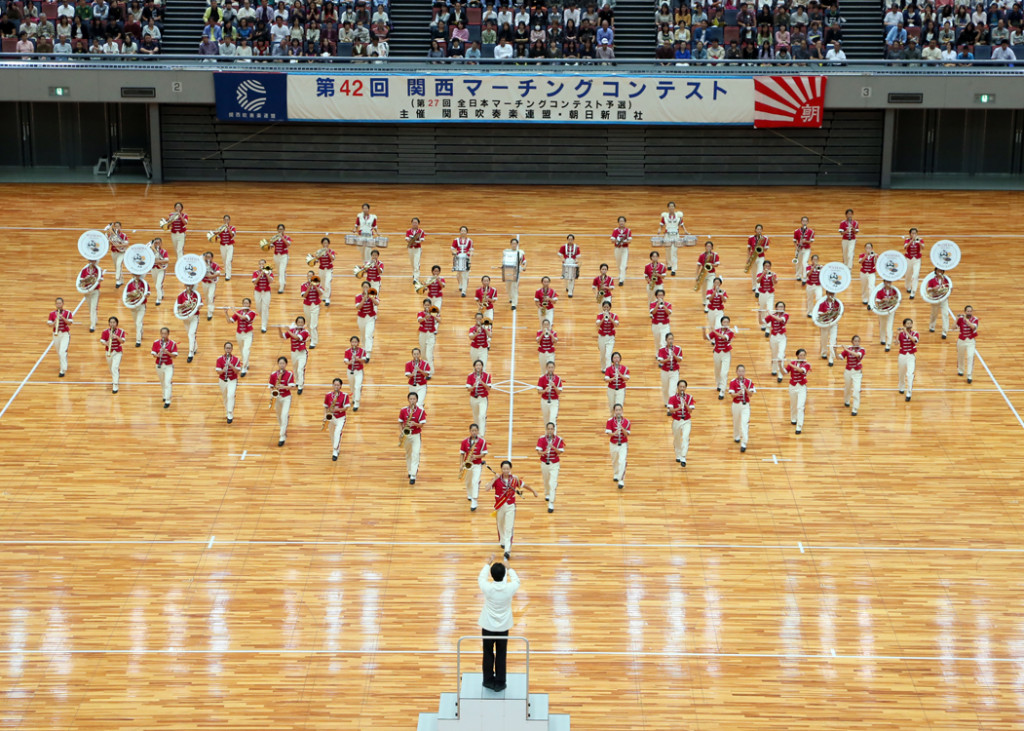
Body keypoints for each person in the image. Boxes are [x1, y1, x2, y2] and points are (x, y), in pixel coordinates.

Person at [489, 460, 536, 560]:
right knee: (500, 525)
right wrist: (494, 479)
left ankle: (507, 550)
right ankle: (502, 541)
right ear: (501, 469)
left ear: (510, 469)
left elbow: (524, 485)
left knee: (509, 528)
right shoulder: (497, 479)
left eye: (507, 468)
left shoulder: (514, 479)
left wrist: (533, 491)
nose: (505, 470)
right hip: (499, 506)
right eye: (504, 468)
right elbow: (486, 488)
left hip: (510, 506)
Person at [703, 316, 736, 399]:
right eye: (724, 322)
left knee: (724, 373)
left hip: (726, 354)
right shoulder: (717, 331)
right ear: (721, 323)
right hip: (717, 353)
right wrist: (703, 331)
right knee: (717, 370)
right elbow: (706, 338)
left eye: (727, 322)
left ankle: (722, 391)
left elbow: (724, 337)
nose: (726, 324)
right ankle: (719, 385)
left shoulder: (730, 332)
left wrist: (713, 330)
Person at [536, 422, 565, 512]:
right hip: (544, 463)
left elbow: (560, 452)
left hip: (554, 464)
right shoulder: (541, 439)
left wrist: (552, 447)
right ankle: (547, 493)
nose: (550, 430)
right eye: (548, 429)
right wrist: (544, 452)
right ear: (546, 429)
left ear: (554, 429)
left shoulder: (559, 439)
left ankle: (551, 503)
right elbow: (538, 452)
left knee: (552, 483)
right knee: (546, 480)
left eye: (551, 429)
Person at [667, 378, 695, 466]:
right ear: (677, 387)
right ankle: (678, 454)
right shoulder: (672, 398)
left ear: (686, 388)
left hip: (686, 420)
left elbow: (690, 410)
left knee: (686, 437)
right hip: (676, 421)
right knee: (677, 438)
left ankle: (683, 456)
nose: (682, 388)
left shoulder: (689, 398)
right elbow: (671, 410)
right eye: (680, 387)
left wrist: (685, 404)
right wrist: (678, 408)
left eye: (683, 387)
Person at [727, 364, 755, 451]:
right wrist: (739, 393)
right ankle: (736, 436)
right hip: (736, 405)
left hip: (745, 405)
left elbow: (751, 394)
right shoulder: (732, 382)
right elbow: (732, 395)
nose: (741, 373)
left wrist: (745, 389)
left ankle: (744, 443)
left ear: (745, 372)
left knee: (744, 423)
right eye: (739, 371)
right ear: (736, 372)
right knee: (736, 422)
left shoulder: (749, 382)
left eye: (743, 371)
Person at [461, 424, 488, 511]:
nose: (474, 432)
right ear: (470, 431)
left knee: (475, 482)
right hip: (467, 464)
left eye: (476, 430)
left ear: (478, 431)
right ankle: (469, 494)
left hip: (477, 465)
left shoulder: (482, 442)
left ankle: (474, 500)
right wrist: (461, 464)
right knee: (468, 481)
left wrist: (476, 456)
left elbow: (484, 454)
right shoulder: (465, 441)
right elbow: (462, 453)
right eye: (472, 431)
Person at [226, 298, 256, 376]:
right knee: (242, 351)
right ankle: (246, 363)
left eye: (247, 303)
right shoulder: (239, 312)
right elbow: (230, 321)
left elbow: (244, 318)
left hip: (248, 334)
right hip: (239, 334)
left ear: (249, 304)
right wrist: (226, 313)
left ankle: (244, 368)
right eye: (244, 303)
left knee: (246, 350)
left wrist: (234, 311)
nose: (245, 305)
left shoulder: (252, 313)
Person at [281, 315, 310, 394]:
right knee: (295, 368)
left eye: (302, 322)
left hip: (302, 353)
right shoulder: (292, 330)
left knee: (300, 369)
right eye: (299, 322)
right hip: (293, 352)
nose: (300, 324)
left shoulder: (305, 332)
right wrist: (279, 329)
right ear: (296, 323)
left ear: (304, 323)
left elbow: (297, 338)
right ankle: (297, 382)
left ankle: (300, 386)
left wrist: (288, 331)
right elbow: (283, 336)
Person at [324, 378, 351, 461]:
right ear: (332, 385)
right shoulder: (328, 395)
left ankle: (335, 451)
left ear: (340, 386)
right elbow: (325, 407)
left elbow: (346, 408)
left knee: (337, 433)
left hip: (340, 418)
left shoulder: (345, 395)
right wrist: (325, 416)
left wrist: (337, 409)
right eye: (335, 385)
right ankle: (335, 448)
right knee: (332, 434)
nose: (336, 386)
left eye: (338, 385)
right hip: (331, 417)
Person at [269, 356, 294, 445]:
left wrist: (283, 387)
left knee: (284, 415)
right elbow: (271, 386)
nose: (282, 365)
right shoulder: (273, 374)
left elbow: (291, 387)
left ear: (286, 364)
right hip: (277, 397)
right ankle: (283, 428)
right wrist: (273, 393)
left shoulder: (290, 374)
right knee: (279, 416)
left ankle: (282, 436)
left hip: (286, 397)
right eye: (280, 363)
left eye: (283, 363)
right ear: (278, 364)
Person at [784, 349, 811, 434]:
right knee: (793, 405)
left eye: (804, 355)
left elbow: (801, 370)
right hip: (792, 386)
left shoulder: (807, 364)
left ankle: (799, 426)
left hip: (802, 387)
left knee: (800, 406)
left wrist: (790, 364)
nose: (803, 357)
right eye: (801, 355)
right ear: (797, 356)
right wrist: (780, 365)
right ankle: (793, 419)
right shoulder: (793, 363)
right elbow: (785, 372)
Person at [605, 403, 630, 489]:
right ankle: (616, 473)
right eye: (616, 410)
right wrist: (614, 433)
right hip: (613, 444)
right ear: (614, 411)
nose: (618, 412)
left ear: (622, 411)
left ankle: (621, 480)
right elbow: (608, 433)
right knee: (614, 460)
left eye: (620, 410)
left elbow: (627, 435)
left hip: (623, 444)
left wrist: (622, 429)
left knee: (622, 461)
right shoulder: (610, 421)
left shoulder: (626, 422)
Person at [152, 327, 178, 408]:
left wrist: (167, 352)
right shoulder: (156, 342)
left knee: (167, 382)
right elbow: (153, 354)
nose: (163, 335)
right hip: (159, 365)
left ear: (168, 334)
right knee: (162, 381)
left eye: (165, 333)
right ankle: (164, 395)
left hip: (168, 365)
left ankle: (168, 400)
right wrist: (158, 355)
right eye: (162, 333)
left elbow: (174, 356)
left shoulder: (172, 343)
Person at [215, 341, 241, 423]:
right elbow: (218, 371)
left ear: (232, 349)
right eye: (227, 348)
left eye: (229, 348)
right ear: (224, 349)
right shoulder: (219, 359)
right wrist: (223, 370)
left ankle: (230, 413)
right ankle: (228, 412)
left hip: (232, 380)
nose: (228, 350)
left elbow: (237, 371)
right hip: (222, 380)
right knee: (225, 397)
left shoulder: (236, 359)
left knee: (231, 395)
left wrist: (231, 366)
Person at [839, 335, 865, 416]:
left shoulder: (862, 350)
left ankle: (855, 408)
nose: (857, 343)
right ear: (852, 342)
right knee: (847, 387)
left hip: (857, 373)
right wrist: (835, 350)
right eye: (855, 341)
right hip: (848, 371)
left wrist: (846, 349)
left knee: (857, 390)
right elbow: (839, 357)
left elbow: (857, 355)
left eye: (858, 341)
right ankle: (846, 400)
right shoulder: (848, 349)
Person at [48, 297, 73, 377]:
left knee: (62, 351)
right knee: (60, 352)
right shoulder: (52, 314)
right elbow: (50, 324)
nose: (58, 305)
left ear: (63, 304)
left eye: (60, 303)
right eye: (57, 303)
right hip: (56, 334)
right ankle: (63, 364)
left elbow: (69, 323)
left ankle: (63, 370)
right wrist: (55, 320)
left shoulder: (68, 312)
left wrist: (62, 318)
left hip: (65, 334)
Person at [99, 316, 126, 393]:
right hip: (109, 352)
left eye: (114, 322)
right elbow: (102, 341)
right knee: (111, 368)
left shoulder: (121, 331)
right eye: (111, 322)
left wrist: (116, 337)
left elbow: (122, 341)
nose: (112, 324)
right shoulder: (105, 332)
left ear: (117, 323)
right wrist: (106, 343)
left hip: (117, 352)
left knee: (114, 367)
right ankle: (115, 378)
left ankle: (115, 386)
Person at [656, 332, 683, 407]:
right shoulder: (662, 350)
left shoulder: (678, 348)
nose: (671, 341)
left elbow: (679, 360)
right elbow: (660, 361)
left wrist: (674, 356)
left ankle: (670, 406)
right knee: (665, 388)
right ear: (666, 340)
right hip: (665, 371)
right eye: (669, 339)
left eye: (672, 339)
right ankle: (666, 402)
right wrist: (667, 359)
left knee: (672, 390)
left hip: (674, 372)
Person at [925, 268, 953, 338]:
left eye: (941, 271)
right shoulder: (932, 280)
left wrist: (950, 290)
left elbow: (949, 289)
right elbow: (928, 290)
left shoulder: (946, 279)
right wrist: (933, 289)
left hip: (944, 299)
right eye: (938, 271)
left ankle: (944, 332)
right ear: (936, 271)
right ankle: (932, 326)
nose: (939, 272)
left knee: (945, 314)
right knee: (934, 314)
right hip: (935, 298)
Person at [765, 300, 789, 381]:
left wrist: (770, 314)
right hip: (773, 337)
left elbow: (780, 320)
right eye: (779, 306)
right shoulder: (772, 315)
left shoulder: (786, 315)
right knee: (774, 355)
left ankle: (780, 374)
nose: (780, 308)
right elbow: (762, 322)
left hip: (782, 337)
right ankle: (774, 369)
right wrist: (760, 314)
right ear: (776, 308)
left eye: (782, 307)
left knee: (780, 356)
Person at [300, 271, 324, 348]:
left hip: (315, 305)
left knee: (313, 325)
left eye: (311, 276)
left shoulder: (318, 284)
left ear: (314, 277)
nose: (309, 278)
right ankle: (311, 336)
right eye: (308, 276)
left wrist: (316, 286)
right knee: (309, 323)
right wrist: (309, 287)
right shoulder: (304, 285)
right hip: (307, 305)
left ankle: (314, 342)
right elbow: (304, 296)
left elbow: (320, 294)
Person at [355, 280, 379, 359]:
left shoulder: (373, 295)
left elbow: (377, 303)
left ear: (369, 288)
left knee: (368, 335)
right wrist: (363, 299)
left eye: (367, 287)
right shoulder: (358, 296)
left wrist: (371, 297)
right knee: (362, 335)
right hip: (361, 318)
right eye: (364, 287)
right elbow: (358, 307)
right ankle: (364, 349)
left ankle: (368, 353)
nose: (365, 288)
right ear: (362, 288)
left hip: (370, 318)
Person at [344, 336, 368, 411]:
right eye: (353, 342)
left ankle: (357, 403)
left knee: (357, 386)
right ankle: (354, 398)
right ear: (350, 343)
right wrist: (350, 362)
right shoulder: (347, 351)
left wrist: (358, 359)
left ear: (358, 343)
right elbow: (345, 361)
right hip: (350, 371)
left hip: (359, 371)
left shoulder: (362, 351)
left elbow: (364, 361)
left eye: (355, 342)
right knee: (352, 387)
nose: (354, 343)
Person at [817, 291, 841, 366]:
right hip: (825, 323)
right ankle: (823, 352)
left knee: (833, 341)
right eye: (829, 294)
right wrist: (826, 313)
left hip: (834, 323)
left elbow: (840, 312)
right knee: (824, 339)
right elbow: (819, 314)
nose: (831, 295)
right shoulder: (822, 304)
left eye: (832, 294)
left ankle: (831, 358)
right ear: (826, 294)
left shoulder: (837, 303)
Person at [874, 280, 899, 351]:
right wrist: (883, 300)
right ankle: (882, 339)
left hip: (891, 311)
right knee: (882, 325)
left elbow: (898, 300)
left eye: (890, 282)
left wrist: (892, 301)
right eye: (887, 282)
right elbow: (878, 303)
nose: (889, 283)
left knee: (889, 327)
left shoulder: (894, 291)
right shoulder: (880, 291)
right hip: (882, 311)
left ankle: (888, 344)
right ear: (884, 282)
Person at [956, 305, 979, 383]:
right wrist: (957, 319)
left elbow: (973, 327)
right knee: (960, 356)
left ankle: (969, 375)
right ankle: (960, 370)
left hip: (970, 341)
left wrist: (966, 320)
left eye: (970, 311)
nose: (969, 313)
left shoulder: (975, 319)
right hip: (961, 340)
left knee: (970, 356)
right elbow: (953, 327)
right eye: (968, 311)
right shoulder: (961, 319)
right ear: (965, 312)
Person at [897, 318, 919, 401]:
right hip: (902, 355)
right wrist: (897, 334)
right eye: (908, 323)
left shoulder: (915, 333)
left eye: (910, 323)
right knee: (901, 373)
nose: (909, 325)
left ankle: (909, 393)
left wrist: (906, 332)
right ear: (904, 325)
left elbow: (914, 340)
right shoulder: (901, 334)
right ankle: (901, 387)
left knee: (910, 374)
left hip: (911, 356)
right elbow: (896, 343)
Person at [537, 360, 563, 427]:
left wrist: (554, 386)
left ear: (554, 368)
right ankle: (547, 436)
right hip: (544, 401)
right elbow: (539, 391)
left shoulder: (558, 378)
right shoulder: (542, 378)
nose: (550, 369)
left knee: (552, 420)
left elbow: (559, 392)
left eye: (552, 367)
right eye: (549, 367)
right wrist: (545, 390)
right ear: (546, 368)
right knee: (546, 420)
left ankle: (553, 436)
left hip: (554, 401)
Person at [251, 259, 273, 332]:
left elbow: (271, 281)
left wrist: (266, 273)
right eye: (260, 264)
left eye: (263, 264)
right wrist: (260, 274)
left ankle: (263, 326)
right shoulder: (255, 273)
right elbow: (255, 282)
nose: (261, 265)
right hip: (258, 292)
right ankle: (264, 319)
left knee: (265, 308)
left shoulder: (269, 272)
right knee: (259, 308)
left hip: (266, 292)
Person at [451, 225, 474, 296]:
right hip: (458, 258)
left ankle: (464, 291)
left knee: (465, 275)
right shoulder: (456, 240)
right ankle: (460, 284)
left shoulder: (470, 241)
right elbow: (452, 248)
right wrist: (454, 252)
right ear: (460, 232)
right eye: (462, 230)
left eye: (464, 231)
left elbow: (471, 250)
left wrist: (470, 258)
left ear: (467, 232)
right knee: (459, 274)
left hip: (466, 258)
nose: (463, 232)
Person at [747, 223, 770, 292]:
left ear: (762, 230)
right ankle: (754, 286)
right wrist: (748, 257)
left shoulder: (765, 238)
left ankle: (758, 288)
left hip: (761, 257)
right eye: (758, 229)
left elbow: (766, 249)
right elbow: (748, 248)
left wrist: (761, 248)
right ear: (755, 230)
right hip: (753, 257)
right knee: (753, 272)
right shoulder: (751, 238)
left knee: (759, 272)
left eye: (760, 229)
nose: (759, 230)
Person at [504, 237, 525, 310]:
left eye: (515, 243)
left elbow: (524, 261)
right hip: (508, 271)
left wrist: (524, 266)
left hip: (516, 272)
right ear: (510, 244)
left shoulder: (520, 253)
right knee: (508, 286)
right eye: (513, 243)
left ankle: (514, 303)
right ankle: (511, 298)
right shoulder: (506, 252)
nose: (514, 245)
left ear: (517, 244)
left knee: (514, 287)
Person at [596, 301, 618, 371]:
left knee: (608, 354)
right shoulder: (599, 315)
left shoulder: (614, 315)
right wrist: (603, 318)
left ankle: (608, 370)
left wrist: (610, 318)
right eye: (604, 307)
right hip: (602, 337)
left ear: (610, 308)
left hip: (610, 337)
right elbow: (598, 324)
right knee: (603, 354)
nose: (606, 308)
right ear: (602, 307)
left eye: (607, 307)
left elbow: (616, 324)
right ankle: (603, 368)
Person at [755, 260, 777, 331]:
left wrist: (773, 276)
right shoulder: (759, 274)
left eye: (768, 266)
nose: (767, 267)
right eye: (766, 266)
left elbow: (775, 282)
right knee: (762, 308)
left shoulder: (773, 274)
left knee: (770, 309)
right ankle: (763, 324)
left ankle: (768, 326)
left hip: (770, 294)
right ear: (763, 267)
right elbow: (758, 281)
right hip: (762, 294)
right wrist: (763, 274)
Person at [201, 251, 223, 320]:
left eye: (209, 257)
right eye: (206, 257)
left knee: (210, 296)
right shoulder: (201, 265)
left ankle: (209, 312)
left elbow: (218, 273)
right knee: (207, 298)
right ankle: (210, 305)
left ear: (212, 258)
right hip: (204, 283)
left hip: (212, 283)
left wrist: (212, 276)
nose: (208, 258)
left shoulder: (214, 265)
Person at [611, 215, 632, 285]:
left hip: (624, 249)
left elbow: (629, 241)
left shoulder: (628, 231)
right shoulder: (615, 230)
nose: (621, 222)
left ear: (625, 222)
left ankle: (621, 280)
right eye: (620, 221)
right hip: (617, 248)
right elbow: (612, 240)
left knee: (623, 265)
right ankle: (620, 274)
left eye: (623, 221)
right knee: (618, 263)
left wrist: (624, 241)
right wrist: (617, 240)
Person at [315, 237, 336, 305]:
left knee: (327, 283)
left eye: (326, 243)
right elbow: (316, 258)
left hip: (329, 269)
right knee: (322, 283)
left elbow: (332, 258)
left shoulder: (331, 251)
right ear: (322, 244)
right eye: (324, 243)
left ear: (328, 244)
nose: (325, 244)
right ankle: (324, 296)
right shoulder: (319, 251)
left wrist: (327, 252)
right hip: (321, 269)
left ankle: (327, 298)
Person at [107, 221, 129, 287]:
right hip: (114, 253)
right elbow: (109, 244)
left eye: (118, 226)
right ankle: (121, 280)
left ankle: (117, 281)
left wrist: (118, 245)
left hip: (121, 253)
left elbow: (126, 244)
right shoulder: (111, 235)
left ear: (120, 227)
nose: (116, 228)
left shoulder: (123, 235)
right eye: (115, 226)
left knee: (118, 264)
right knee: (116, 267)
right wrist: (110, 241)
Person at [793, 216, 814, 283]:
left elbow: (811, 241)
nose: (804, 222)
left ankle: (804, 277)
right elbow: (794, 240)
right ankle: (798, 275)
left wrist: (805, 241)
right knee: (798, 263)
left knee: (804, 263)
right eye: (803, 221)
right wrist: (796, 248)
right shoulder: (796, 231)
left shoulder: (811, 231)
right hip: (799, 249)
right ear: (801, 222)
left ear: (807, 222)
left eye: (806, 221)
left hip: (807, 249)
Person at [215, 214, 236, 280]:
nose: (226, 221)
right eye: (225, 220)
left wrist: (227, 227)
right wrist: (214, 235)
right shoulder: (220, 228)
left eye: (227, 220)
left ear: (229, 220)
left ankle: (228, 276)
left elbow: (232, 235)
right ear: (223, 220)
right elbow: (217, 237)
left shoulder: (232, 228)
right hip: (222, 246)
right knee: (224, 260)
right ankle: (226, 272)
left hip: (230, 246)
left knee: (228, 261)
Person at [903, 228, 923, 298]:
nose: (914, 234)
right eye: (912, 233)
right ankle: (908, 287)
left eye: (915, 233)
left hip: (917, 259)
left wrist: (919, 242)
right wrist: (911, 240)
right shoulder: (907, 240)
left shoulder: (920, 240)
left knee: (915, 275)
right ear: (910, 234)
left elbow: (923, 247)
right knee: (908, 275)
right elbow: (905, 247)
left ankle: (913, 291)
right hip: (908, 259)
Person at [858, 242, 877, 307]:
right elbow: (860, 262)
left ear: (872, 248)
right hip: (863, 272)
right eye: (867, 248)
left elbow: (876, 263)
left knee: (871, 287)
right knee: (864, 287)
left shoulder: (875, 255)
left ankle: (870, 302)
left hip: (871, 273)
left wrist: (875, 256)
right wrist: (866, 255)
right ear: (865, 248)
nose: (868, 249)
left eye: (869, 247)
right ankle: (864, 299)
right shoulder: (862, 255)